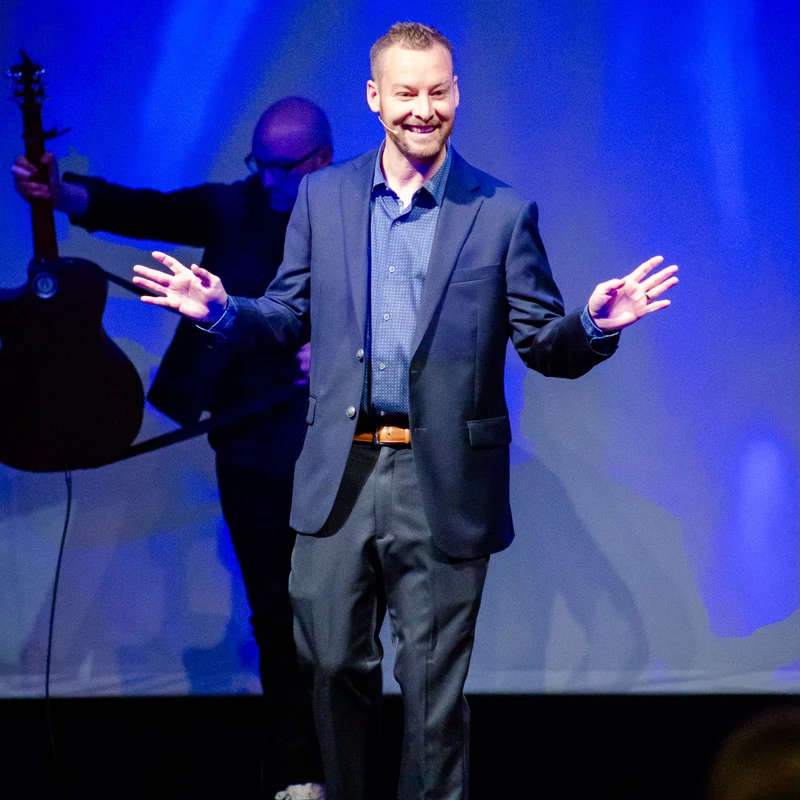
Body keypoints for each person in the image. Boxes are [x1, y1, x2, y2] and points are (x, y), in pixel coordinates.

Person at [131, 22, 679, 800]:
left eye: (438, 92)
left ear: (456, 92)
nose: (423, 109)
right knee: (329, 665)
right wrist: (222, 312)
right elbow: (285, 317)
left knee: (432, 689)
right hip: (340, 472)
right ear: (374, 98)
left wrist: (593, 323)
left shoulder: (500, 212)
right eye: (406, 93)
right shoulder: (324, 197)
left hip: (442, 478)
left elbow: (541, 345)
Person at [12, 96, 331, 800]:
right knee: (273, 612)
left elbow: (402, 304)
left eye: (282, 168)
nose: (267, 180)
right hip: (247, 441)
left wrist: (342, 348)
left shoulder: (356, 216)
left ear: (321, 159)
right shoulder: (236, 207)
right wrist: (61, 192)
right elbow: (148, 210)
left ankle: (347, 760)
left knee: (337, 619)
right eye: (259, 165)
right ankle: (298, 770)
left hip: (332, 447)